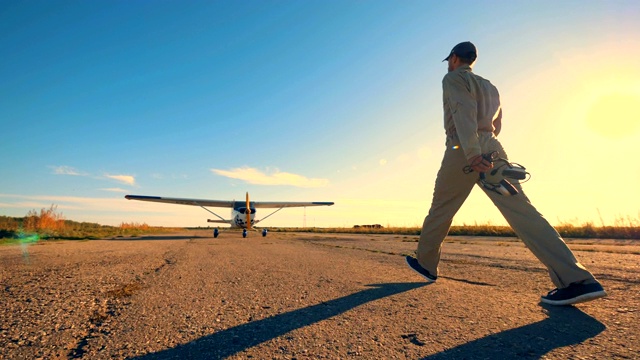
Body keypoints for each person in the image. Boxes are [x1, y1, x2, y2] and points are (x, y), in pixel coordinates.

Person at [405, 41, 606, 306]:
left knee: (442, 208)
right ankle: (577, 279)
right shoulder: (491, 86)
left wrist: (472, 153)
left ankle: (426, 263)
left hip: (463, 149)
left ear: (454, 58)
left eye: (450, 60)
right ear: (472, 60)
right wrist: (487, 146)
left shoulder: (452, 78)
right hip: (493, 147)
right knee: (524, 212)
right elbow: (498, 122)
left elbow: (462, 110)